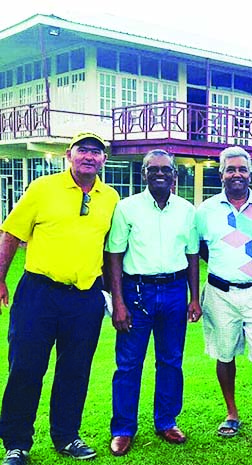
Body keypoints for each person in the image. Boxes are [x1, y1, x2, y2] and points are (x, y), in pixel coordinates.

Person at [0, 132, 119, 465]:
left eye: (96, 152)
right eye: (83, 150)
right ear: (70, 154)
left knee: (75, 370)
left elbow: (111, 249)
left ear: (103, 160)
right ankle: (17, 442)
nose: (89, 156)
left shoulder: (109, 197)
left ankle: (67, 436)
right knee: (25, 367)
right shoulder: (43, 188)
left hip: (84, 298)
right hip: (39, 294)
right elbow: (11, 233)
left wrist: (110, 294)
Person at [105, 150, 202, 456]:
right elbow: (114, 257)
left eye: (166, 169)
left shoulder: (187, 211)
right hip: (136, 292)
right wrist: (118, 302)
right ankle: (123, 428)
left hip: (174, 291)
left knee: (171, 360)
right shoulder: (127, 208)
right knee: (129, 363)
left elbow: (192, 256)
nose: (160, 173)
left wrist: (194, 297)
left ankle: (166, 421)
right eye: (153, 169)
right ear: (144, 173)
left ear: (176, 175)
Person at [195, 146, 252, 444]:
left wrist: (247, 269)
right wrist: (227, 270)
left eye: (242, 169)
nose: (236, 174)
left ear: (250, 173)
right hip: (220, 293)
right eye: (230, 168)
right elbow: (200, 249)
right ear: (220, 173)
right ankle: (232, 413)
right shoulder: (206, 210)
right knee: (225, 354)